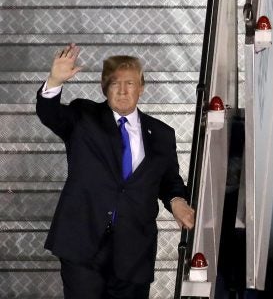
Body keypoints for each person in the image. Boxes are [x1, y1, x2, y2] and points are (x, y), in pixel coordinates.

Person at [36, 43, 196, 299]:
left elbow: (168, 180)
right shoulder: (83, 116)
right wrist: (55, 80)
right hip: (83, 243)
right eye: (115, 83)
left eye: (130, 83)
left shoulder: (162, 134)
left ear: (141, 88)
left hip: (134, 251)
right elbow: (50, 113)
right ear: (104, 88)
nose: (123, 90)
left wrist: (176, 201)